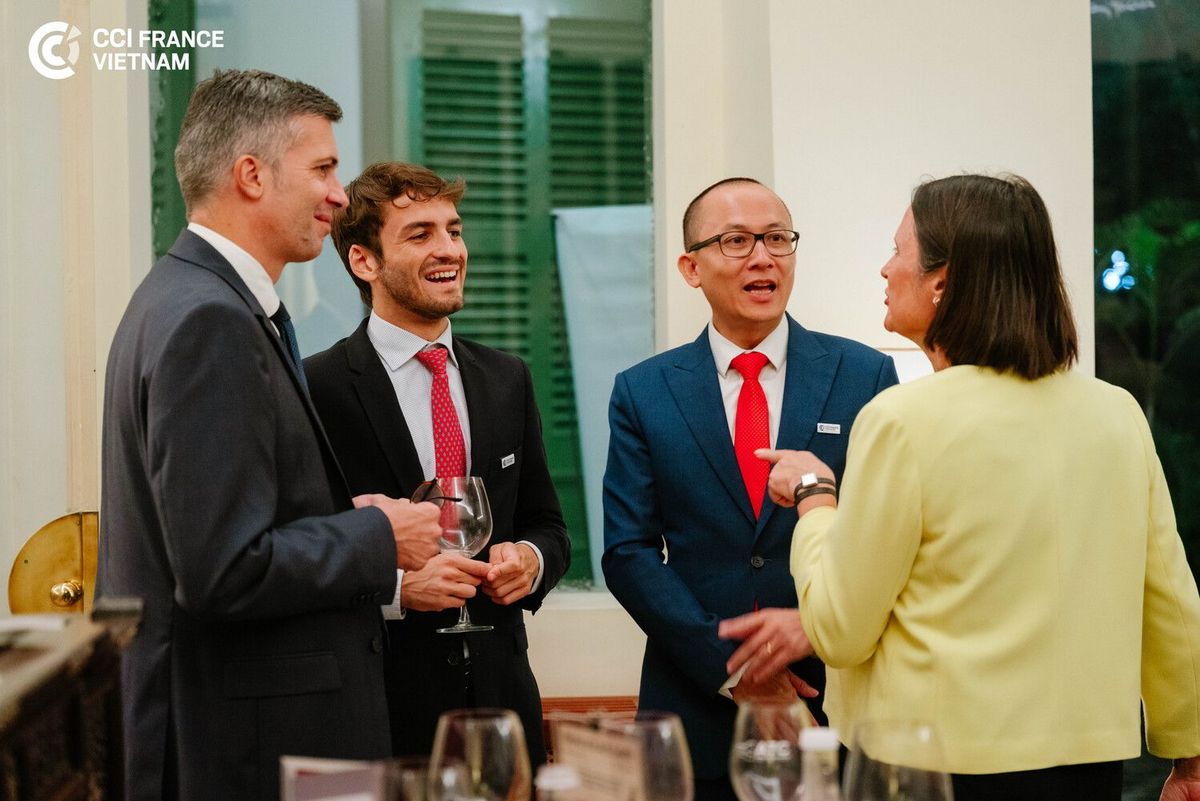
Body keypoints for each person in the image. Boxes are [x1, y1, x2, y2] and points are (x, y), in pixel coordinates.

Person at [719, 174, 1200, 801]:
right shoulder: (1117, 414)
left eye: (898, 251)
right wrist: (1190, 752)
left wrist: (815, 497)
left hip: (933, 770)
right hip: (1088, 769)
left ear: (941, 284)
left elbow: (838, 627)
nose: (885, 269)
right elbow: (1169, 602)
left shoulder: (901, 421)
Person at [97, 70, 443, 801]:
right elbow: (222, 568)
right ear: (251, 175)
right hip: (247, 745)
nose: (339, 196)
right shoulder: (209, 320)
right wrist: (379, 535)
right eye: (322, 169)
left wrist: (344, 516)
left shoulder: (186, 295)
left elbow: (230, 522)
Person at [602, 177, 898, 801]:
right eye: (736, 241)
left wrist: (816, 631)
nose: (763, 257)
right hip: (696, 707)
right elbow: (628, 552)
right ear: (691, 268)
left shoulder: (865, 374)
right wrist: (735, 668)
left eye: (777, 238)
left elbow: (886, 538)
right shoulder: (644, 390)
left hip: (832, 700)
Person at [304, 161, 571, 765]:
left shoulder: (508, 378)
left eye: (454, 229)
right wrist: (398, 589)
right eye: (420, 234)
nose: (450, 248)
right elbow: (302, 549)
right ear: (364, 261)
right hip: (380, 711)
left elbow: (548, 526)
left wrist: (530, 562)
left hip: (504, 709)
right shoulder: (315, 389)